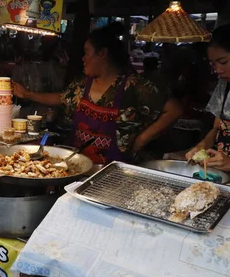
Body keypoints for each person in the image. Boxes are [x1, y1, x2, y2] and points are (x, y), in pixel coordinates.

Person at [13, 23, 172, 164]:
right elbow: (62, 98)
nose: (83, 58)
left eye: (87, 53)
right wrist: (27, 94)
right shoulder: (83, 84)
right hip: (78, 165)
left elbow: (173, 110)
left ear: (102, 54)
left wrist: (141, 140)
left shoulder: (134, 86)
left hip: (114, 172)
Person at [186, 25, 230, 170]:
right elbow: (217, 128)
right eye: (213, 64)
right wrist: (202, 146)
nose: (217, 70)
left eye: (223, 62)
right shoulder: (224, 85)